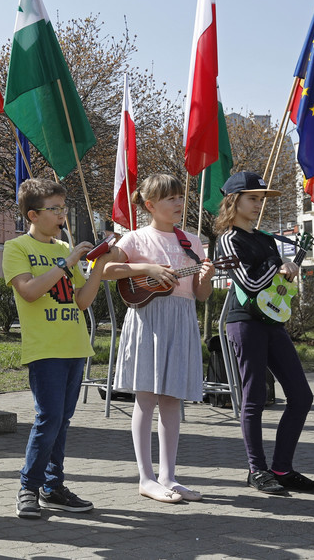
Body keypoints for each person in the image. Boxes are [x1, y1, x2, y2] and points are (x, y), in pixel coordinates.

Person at [100, 174, 214, 503]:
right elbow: (106, 270)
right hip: (147, 320)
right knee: (146, 398)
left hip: (181, 320)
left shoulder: (193, 240)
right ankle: (145, 477)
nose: (179, 203)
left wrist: (207, 277)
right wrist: (146, 270)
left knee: (171, 400)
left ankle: (169, 476)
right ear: (150, 205)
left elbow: (202, 294)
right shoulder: (135, 238)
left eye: (181, 197)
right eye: (171, 199)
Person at [5, 178, 114, 520]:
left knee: (62, 421)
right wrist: (67, 263)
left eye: (64, 208)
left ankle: (53, 487)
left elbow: (82, 302)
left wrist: (97, 267)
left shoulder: (64, 249)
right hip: (44, 349)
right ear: (33, 215)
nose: (62, 215)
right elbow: (30, 291)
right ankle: (29, 486)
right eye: (55, 209)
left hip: (75, 346)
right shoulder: (16, 247)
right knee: (48, 418)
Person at [213, 172, 314, 494]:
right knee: (255, 397)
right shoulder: (228, 239)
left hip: (272, 321)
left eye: (261, 199)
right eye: (253, 198)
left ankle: (282, 468)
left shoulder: (266, 238)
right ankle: (257, 470)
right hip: (244, 321)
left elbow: (277, 286)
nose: (258, 204)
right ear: (233, 201)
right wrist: (276, 267)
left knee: (302, 396)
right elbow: (247, 283)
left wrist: (289, 265)